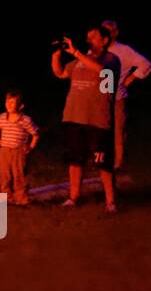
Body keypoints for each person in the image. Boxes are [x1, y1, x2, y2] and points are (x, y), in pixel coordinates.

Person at [51, 26, 121, 212]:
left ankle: (110, 202)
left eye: (93, 37)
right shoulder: (80, 60)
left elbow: (103, 73)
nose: (88, 39)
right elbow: (61, 74)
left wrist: (76, 52)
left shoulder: (111, 60)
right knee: (75, 161)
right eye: (87, 36)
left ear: (105, 40)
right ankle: (73, 198)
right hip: (74, 117)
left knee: (103, 163)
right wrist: (56, 55)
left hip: (97, 120)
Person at [102, 20, 151, 170]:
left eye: (109, 31)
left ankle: (119, 162)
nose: (105, 35)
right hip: (99, 98)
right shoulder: (96, 50)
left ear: (115, 33)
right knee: (100, 129)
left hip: (117, 97)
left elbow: (145, 64)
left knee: (118, 130)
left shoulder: (123, 50)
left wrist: (131, 78)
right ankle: (102, 159)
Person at [0, 90, 39, 206]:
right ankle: (7, 196)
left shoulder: (25, 120)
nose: (9, 105)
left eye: (12, 103)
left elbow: (35, 133)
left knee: (19, 175)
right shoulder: (3, 117)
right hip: (4, 151)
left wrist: (31, 146)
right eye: (7, 102)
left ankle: (21, 198)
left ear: (21, 106)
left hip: (19, 152)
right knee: (5, 175)